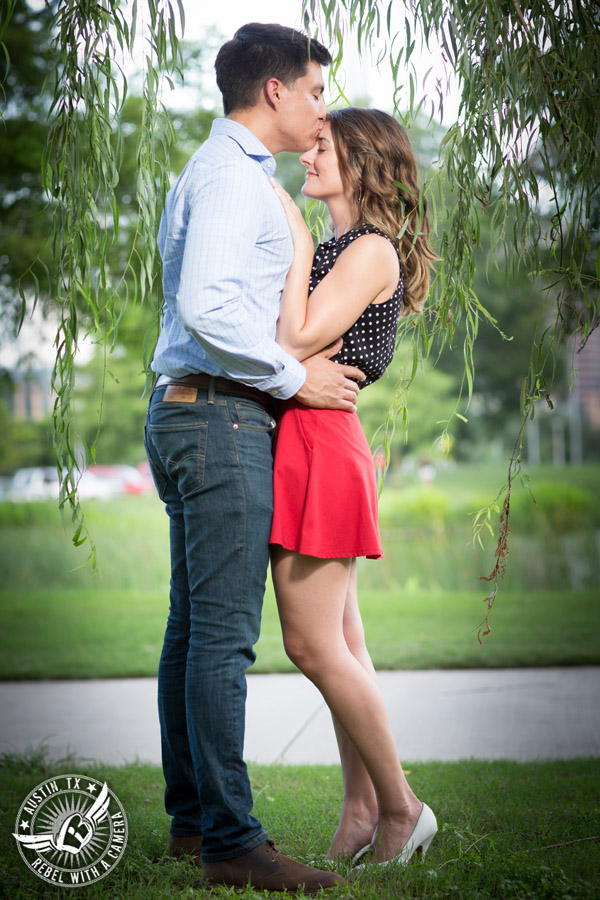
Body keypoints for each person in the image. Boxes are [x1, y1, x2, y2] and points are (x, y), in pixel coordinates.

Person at [144, 23, 365, 893]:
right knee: (221, 642)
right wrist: (293, 376)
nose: (322, 111)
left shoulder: (223, 171)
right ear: (274, 90)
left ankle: (195, 827)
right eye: (314, 92)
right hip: (222, 420)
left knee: (192, 633)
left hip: (192, 413)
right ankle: (232, 841)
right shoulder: (234, 178)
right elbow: (206, 306)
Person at [269, 107, 439, 867]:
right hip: (308, 438)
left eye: (322, 147)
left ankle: (402, 808)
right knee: (341, 642)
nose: (307, 155)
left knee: (311, 643)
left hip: (321, 443)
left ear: (361, 163)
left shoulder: (366, 249)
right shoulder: (344, 246)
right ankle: (363, 808)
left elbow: (295, 338)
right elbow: (295, 341)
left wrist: (298, 246)